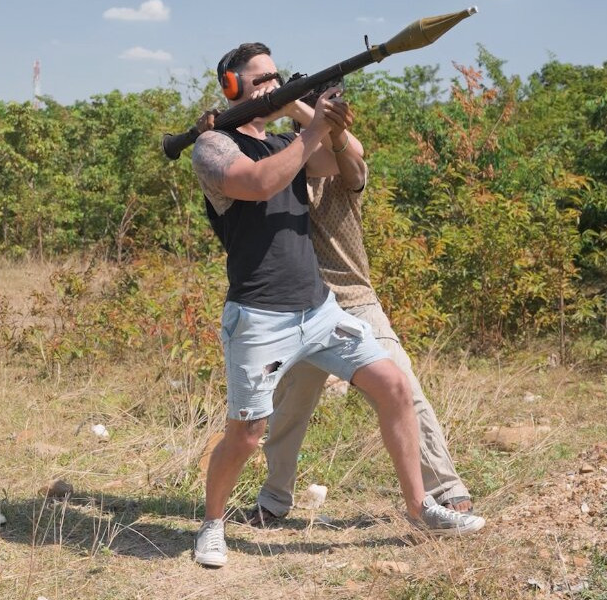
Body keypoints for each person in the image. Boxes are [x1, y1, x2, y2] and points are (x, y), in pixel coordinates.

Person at [191, 43, 484, 567]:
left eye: (276, 77)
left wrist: (319, 115)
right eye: (260, 80)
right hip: (260, 313)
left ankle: (422, 507)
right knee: (248, 435)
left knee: (395, 385)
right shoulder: (212, 145)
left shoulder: (286, 139)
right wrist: (308, 125)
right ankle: (214, 524)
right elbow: (258, 183)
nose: (271, 85)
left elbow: (340, 158)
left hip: (320, 306)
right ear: (232, 88)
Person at [248, 95, 482, 526]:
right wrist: (298, 117)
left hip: (356, 301)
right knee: (287, 409)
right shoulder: (284, 174)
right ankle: (274, 499)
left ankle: (445, 490)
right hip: (303, 306)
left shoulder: (345, 173)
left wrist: (302, 108)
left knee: (405, 389)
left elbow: (352, 157)